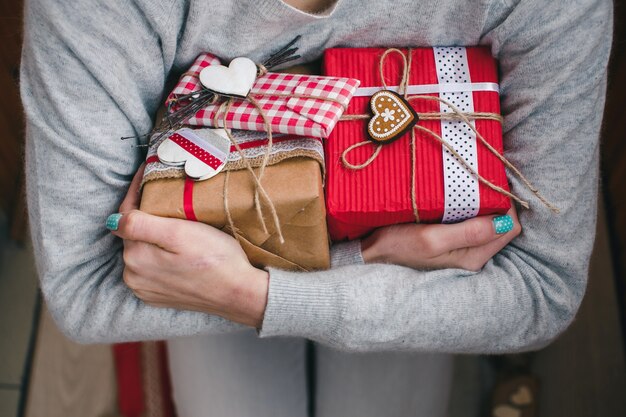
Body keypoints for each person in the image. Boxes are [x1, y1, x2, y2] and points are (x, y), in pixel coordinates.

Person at [20, 0, 613, 416]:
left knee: (386, 400)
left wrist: (250, 294)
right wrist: (369, 261)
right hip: (390, 261)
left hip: (408, 254)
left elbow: (542, 289)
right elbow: (84, 290)